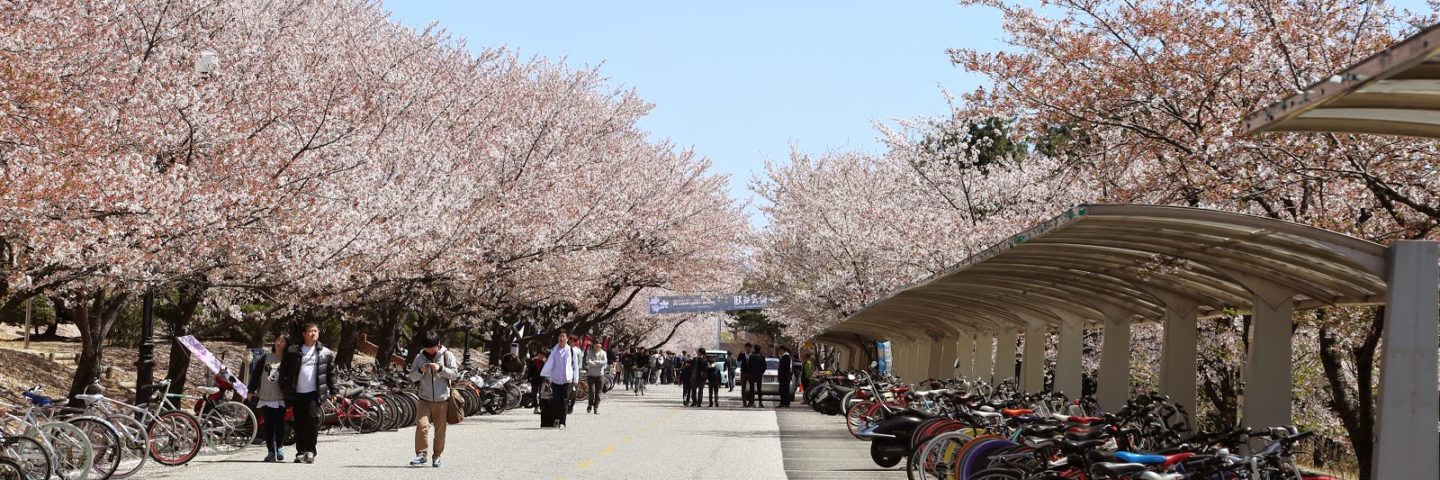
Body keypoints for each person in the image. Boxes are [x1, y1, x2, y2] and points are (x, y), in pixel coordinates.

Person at [279, 322, 337, 464]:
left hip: (314, 393)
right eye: (310, 331)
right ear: (304, 334)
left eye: (315, 331)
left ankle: (310, 451)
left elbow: (331, 373)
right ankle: (300, 452)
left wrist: (334, 391)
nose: (313, 333)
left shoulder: (325, 353)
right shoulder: (293, 351)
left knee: (312, 421)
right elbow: (283, 372)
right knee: (299, 423)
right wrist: (285, 388)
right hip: (297, 393)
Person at [407, 332, 457, 468]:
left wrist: (440, 368)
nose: (430, 350)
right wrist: (421, 371)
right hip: (425, 399)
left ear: (438, 344)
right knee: (422, 426)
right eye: (427, 348)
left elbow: (454, 374)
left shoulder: (447, 355)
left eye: (432, 347)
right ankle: (421, 455)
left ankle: (437, 456)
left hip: (442, 400)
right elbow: (412, 377)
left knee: (440, 431)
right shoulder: (419, 357)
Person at [247, 333, 288, 462]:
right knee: (268, 425)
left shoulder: (288, 359)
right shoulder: (266, 357)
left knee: (280, 424)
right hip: (265, 396)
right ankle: (271, 450)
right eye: (278, 340)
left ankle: (280, 447)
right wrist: (251, 390)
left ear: (287, 344)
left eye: (282, 341)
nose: (279, 343)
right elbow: (256, 374)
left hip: (280, 397)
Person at [539, 330, 582, 429]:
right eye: (560, 336)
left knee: (564, 400)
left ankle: (562, 422)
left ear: (567, 339)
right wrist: (548, 377)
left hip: (567, 380)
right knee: (555, 400)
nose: (561, 338)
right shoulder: (554, 351)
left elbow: (575, 366)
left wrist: (576, 379)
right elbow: (550, 365)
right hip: (556, 379)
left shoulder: (571, 351)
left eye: (563, 336)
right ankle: (556, 418)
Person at [584, 342, 607, 414]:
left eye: (599, 344)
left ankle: (596, 407)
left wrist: (594, 363)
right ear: (593, 345)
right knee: (592, 391)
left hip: (600, 376)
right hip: (591, 376)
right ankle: (590, 404)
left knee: (598, 393)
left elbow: (605, 362)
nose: (597, 345)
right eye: (596, 344)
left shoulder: (603, 353)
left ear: (601, 345)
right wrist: (598, 364)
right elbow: (588, 362)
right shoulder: (590, 352)